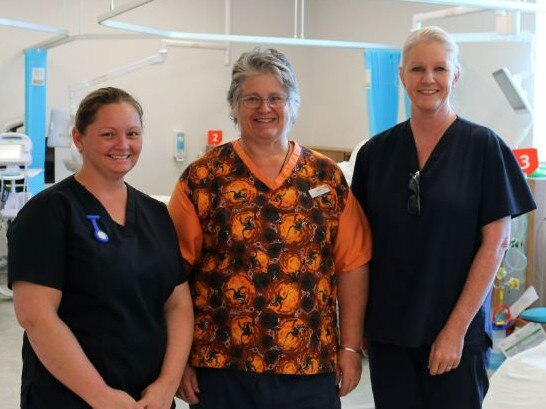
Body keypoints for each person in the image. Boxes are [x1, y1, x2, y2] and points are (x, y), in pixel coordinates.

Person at [168, 47, 372, 409]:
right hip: (222, 365)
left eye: (275, 98)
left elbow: (352, 265)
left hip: (309, 364)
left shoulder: (326, 177)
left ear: (293, 103)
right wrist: (178, 359)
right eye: (252, 99)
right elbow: (173, 273)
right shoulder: (203, 178)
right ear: (234, 106)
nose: (265, 108)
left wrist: (351, 347)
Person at [351, 26, 536, 409]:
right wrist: (357, 332)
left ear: (456, 75)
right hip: (389, 333)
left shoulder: (483, 148)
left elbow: (496, 243)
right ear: (401, 75)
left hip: (456, 332)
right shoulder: (375, 154)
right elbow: (359, 248)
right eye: (417, 69)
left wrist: (454, 331)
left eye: (439, 68)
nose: (428, 79)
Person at [8, 87, 194, 409]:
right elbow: (36, 316)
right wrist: (100, 395)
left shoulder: (155, 213)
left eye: (132, 133)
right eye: (109, 134)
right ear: (78, 138)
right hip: (70, 397)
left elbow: (177, 304)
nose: (123, 145)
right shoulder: (49, 212)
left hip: (148, 397)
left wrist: (166, 385)